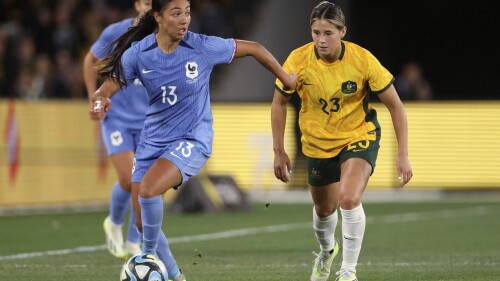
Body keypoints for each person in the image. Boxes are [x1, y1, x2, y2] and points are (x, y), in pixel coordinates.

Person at [91, 0, 297, 280]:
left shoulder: (201, 46)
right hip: (153, 140)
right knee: (141, 221)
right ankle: (176, 276)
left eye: (187, 12)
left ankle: (147, 257)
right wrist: (100, 102)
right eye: (176, 13)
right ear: (158, 17)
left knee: (149, 191)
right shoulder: (139, 54)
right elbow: (107, 88)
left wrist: (285, 77)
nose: (184, 19)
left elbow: (256, 49)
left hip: (193, 137)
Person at [271, 2, 413, 281]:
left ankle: (348, 272)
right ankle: (326, 252)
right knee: (324, 210)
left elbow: (396, 106)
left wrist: (403, 154)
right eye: (315, 33)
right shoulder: (298, 60)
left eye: (328, 33)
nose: (321, 40)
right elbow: (279, 103)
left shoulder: (362, 60)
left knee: (348, 198)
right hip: (316, 144)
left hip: (358, 135)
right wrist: (279, 150)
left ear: (342, 31)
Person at [83, 0, 152, 260]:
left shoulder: (165, 38)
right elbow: (90, 60)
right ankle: (114, 222)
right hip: (118, 118)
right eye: (146, 2)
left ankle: (135, 240)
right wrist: (94, 98)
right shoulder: (116, 32)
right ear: (137, 5)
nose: (149, 7)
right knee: (129, 177)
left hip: (148, 120)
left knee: (146, 183)